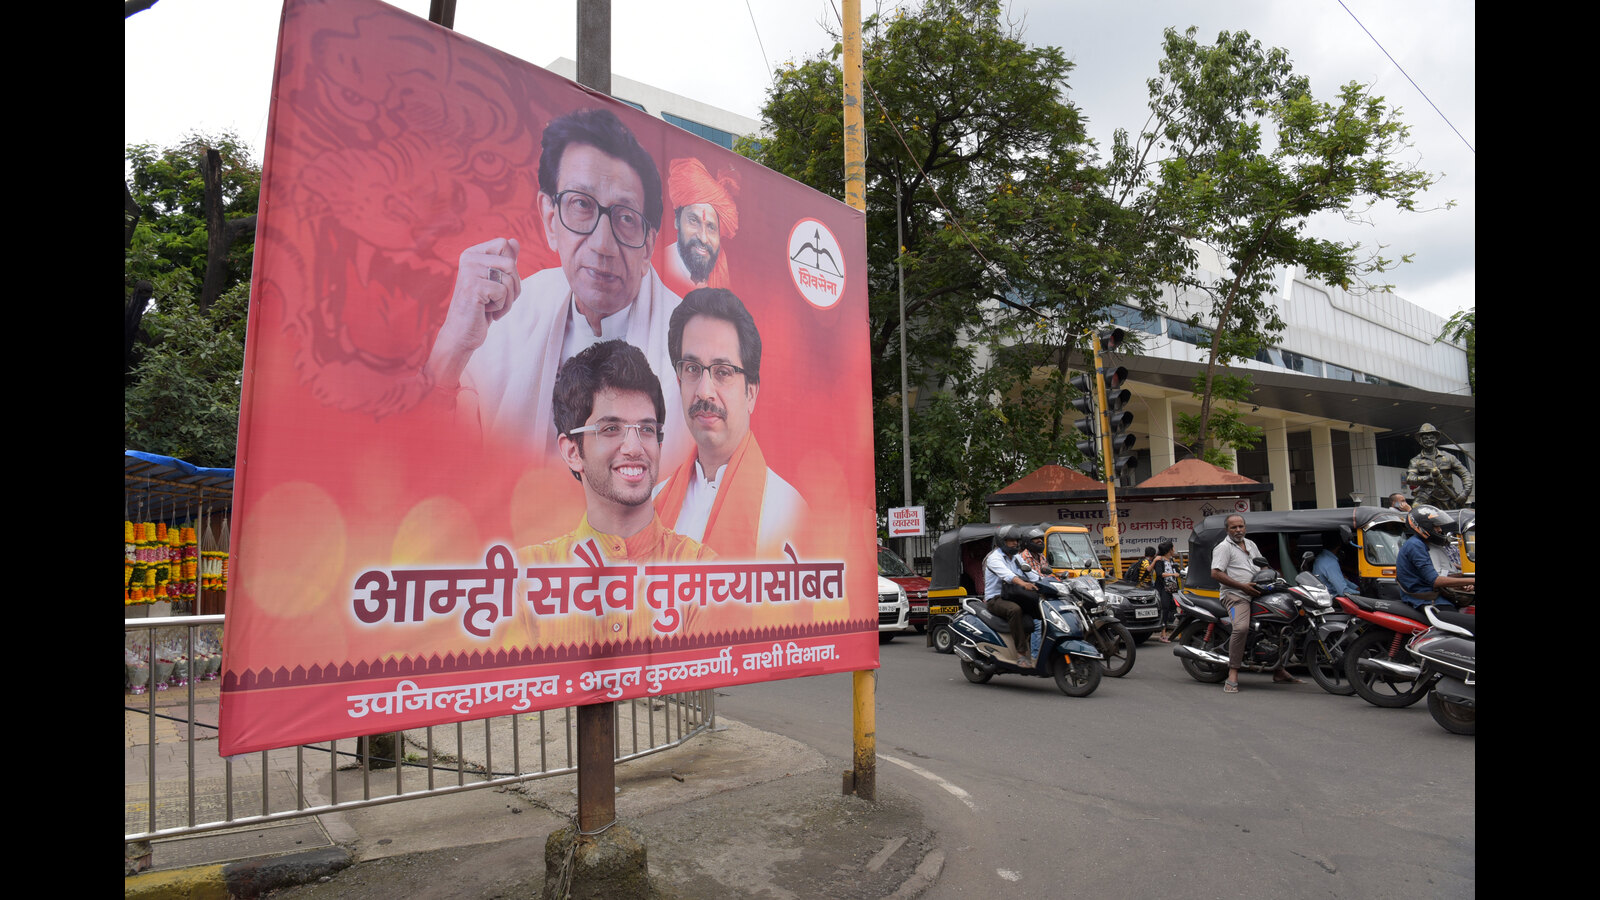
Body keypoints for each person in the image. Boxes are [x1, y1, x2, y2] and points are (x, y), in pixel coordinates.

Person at [423, 107, 688, 468]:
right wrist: (453, 344)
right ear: (550, 219)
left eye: (625, 218)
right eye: (581, 205)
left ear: (648, 247)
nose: (601, 245)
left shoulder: (691, 349)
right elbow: (429, 459)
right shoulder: (506, 320)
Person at [519, 340, 713, 567]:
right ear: (572, 452)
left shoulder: (702, 570)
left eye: (646, 429)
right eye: (611, 429)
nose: (634, 448)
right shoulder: (528, 575)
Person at [652, 288, 808, 559]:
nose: (704, 390)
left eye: (722, 372)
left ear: (750, 392)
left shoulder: (789, 512)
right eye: (692, 368)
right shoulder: (654, 503)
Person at [1209, 514, 1299, 693]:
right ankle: (1233, 672)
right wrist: (1242, 586)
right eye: (1234, 527)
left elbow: (1262, 565)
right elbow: (1216, 573)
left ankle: (1278, 669)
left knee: (1279, 623)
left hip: (1258, 593)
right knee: (1241, 628)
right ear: (1227, 530)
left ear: (1245, 527)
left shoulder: (1250, 544)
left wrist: (1273, 577)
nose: (1238, 530)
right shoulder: (1223, 548)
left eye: (1241, 526)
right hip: (1235, 596)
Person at [658, 158, 739, 295]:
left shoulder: (722, 272)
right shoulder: (655, 267)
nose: (703, 238)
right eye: (694, 221)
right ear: (677, 221)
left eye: (711, 227)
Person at [982, 527, 1040, 667]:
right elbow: (1007, 576)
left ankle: (1037, 652)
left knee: (1040, 610)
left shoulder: (1016, 558)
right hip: (995, 599)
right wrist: (1024, 584)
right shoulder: (994, 558)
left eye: (1016, 540)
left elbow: (1032, 574)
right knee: (1015, 610)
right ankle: (1021, 653)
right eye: (1011, 541)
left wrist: (1049, 582)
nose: (1015, 543)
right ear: (1002, 542)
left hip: (1013, 596)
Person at [1395, 505, 1473, 609]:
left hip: (1435, 595)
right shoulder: (1415, 545)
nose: (1440, 530)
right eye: (1436, 526)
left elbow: (1441, 571)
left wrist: (1465, 580)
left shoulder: (1424, 544)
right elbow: (1435, 581)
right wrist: (1472, 580)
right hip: (1424, 599)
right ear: (1424, 526)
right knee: (1460, 622)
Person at [1404, 423, 1473, 509]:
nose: (1429, 440)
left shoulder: (1449, 457)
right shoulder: (1415, 461)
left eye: (1431, 437)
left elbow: (1465, 474)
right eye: (1425, 438)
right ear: (1420, 441)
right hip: (1425, 495)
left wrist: (1465, 493)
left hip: (1447, 495)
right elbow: (1409, 479)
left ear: (1436, 439)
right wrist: (1428, 478)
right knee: (1416, 511)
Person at [1307, 531, 1355, 597]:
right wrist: (1363, 595)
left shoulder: (1323, 557)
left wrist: (1355, 587)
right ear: (1339, 545)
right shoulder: (1330, 562)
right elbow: (1343, 592)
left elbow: (1340, 580)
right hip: (1330, 598)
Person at [1152, 540, 1180, 642]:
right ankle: (1163, 634)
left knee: (1172, 609)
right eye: (1173, 548)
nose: (1174, 550)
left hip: (1173, 588)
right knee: (1165, 608)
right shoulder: (1159, 560)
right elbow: (1160, 574)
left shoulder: (1171, 560)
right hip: (1164, 588)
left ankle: (1174, 630)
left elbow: (1177, 571)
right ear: (1169, 550)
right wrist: (1173, 575)